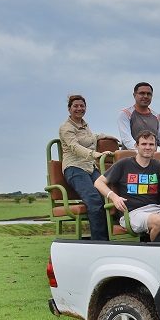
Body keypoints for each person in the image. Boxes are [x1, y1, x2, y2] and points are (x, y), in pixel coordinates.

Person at [95, 130, 160, 241]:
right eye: (144, 144)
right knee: (158, 221)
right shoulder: (124, 164)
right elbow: (98, 182)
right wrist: (113, 197)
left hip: (155, 209)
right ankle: (156, 253)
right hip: (131, 213)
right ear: (136, 146)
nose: (148, 147)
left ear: (155, 147)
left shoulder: (157, 164)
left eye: (151, 144)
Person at [58, 94, 113, 240]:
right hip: (74, 168)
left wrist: (108, 137)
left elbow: (92, 137)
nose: (79, 108)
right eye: (75, 106)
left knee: (109, 194)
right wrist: (95, 154)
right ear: (69, 109)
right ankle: (100, 243)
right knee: (94, 199)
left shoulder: (85, 125)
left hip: (90, 168)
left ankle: (114, 235)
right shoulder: (66, 128)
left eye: (82, 106)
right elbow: (75, 147)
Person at [117, 82, 160, 153]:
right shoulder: (125, 114)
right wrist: (142, 152)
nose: (146, 96)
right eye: (142, 93)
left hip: (152, 158)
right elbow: (127, 139)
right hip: (130, 158)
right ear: (134, 95)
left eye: (149, 94)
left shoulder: (157, 116)